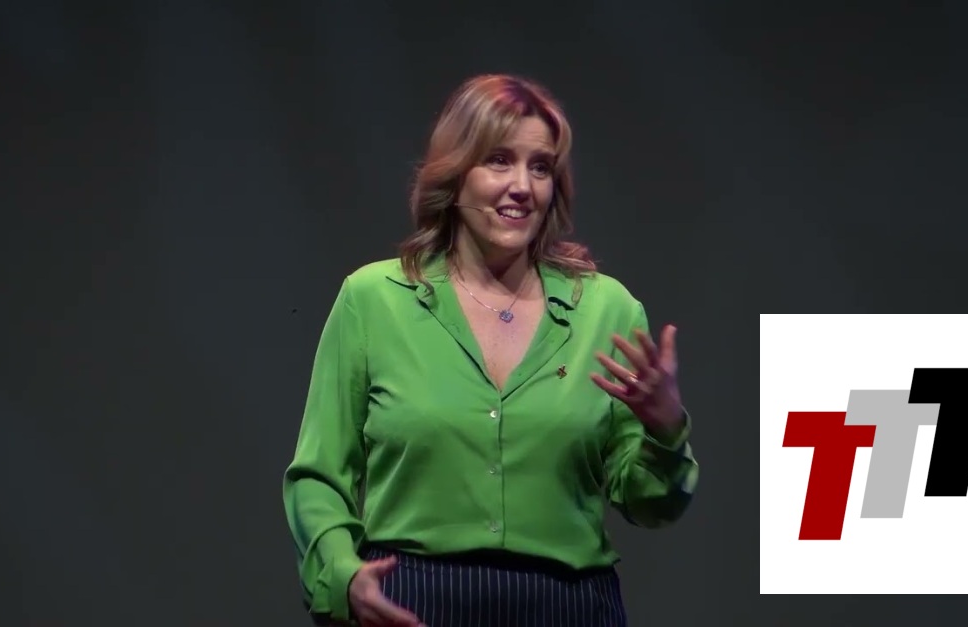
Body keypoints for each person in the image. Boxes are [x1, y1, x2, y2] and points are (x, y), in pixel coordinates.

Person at [282, 73, 699, 627]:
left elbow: (650, 504)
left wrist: (665, 432)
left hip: (568, 608)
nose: (522, 185)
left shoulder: (608, 310)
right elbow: (319, 476)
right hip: (416, 603)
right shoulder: (373, 300)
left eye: (541, 167)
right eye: (499, 161)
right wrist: (343, 574)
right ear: (455, 174)